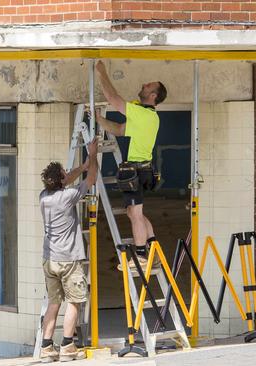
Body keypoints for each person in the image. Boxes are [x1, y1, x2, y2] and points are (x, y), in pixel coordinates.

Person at [94, 60, 167, 270]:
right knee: (134, 212)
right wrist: (100, 120)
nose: (144, 85)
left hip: (137, 170)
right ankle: (153, 249)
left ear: (153, 96)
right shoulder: (145, 116)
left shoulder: (144, 114)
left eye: (148, 86)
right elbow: (119, 129)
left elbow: (113, 99)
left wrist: (102, 72)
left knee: (135, 213)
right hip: (142, 170)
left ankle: (142, 257)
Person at [38, 139, 98, 362]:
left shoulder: (45, 197)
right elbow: (91, 180)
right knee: (74, 301)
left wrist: (80, 168)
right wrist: (92, 156)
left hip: (49, 258)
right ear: (61, 179)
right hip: (68, 259)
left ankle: (46, 348)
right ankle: (67, 346)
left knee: (54, 302)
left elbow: (68, 179)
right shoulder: (68, 196)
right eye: (65, 173)